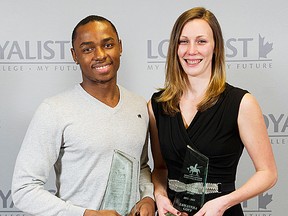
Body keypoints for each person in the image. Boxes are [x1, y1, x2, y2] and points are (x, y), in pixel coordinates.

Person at [12, 15, 155, 216]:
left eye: (108, 44)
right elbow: (23, 189)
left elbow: (140, 166)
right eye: (87, 49)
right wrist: (86, 214)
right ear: (74, 55)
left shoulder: (139, 105)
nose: (100, 55)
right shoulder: (54, 110)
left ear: (120, 47)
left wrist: (148, 197)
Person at [148, 7, 277, 216]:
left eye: (201, 41)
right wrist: (160, 195)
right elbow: (160, 169)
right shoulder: (157, 105)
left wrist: (223, 203)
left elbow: (268, 173)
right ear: (174, 47)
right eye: (183, 41)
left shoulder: (241, 103)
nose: (191, 50)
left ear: (215, 46)